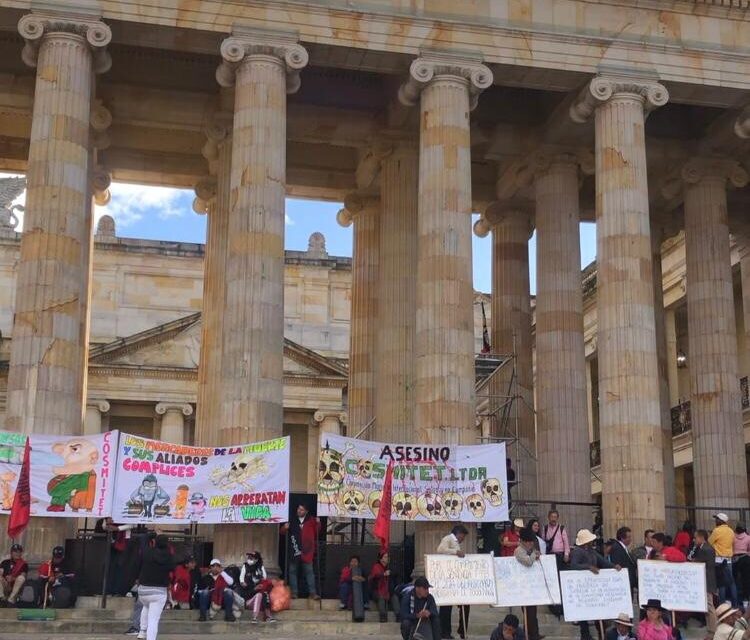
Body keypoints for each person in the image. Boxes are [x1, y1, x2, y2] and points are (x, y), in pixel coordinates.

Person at [570, 529, 620, 640]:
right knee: (584, 612)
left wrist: (613, 566)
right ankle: (585, 634)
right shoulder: (578, 551)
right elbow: (573, 566)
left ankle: (600, 633)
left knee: (597, 610)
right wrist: (588, 567)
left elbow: (602, 561)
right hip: (582, 586)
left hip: (593, 586)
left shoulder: (591, 551)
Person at [136, 534, 174, 640]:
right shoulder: (169, 556)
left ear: (155, 542)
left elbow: (143, 538)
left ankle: (142, 632)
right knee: (153, 620)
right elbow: (172, 567)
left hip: (143, 590)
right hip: (159, 592)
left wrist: (153, 534)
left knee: (146, 606)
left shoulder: (147, 552)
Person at [437, 525, 470, 640]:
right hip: (447, 579)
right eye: (463, 536)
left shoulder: (454, 542)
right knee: (446, 608)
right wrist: (456, 552)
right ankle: (444, 632)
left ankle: (462, 630)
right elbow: (440, 550)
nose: (463, 539)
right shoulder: (448, 539)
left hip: (455, 579)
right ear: (459, 533)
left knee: (465, 605)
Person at [282, 504, 320, 600]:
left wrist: (318, 523)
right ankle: (294, 593)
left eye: (302, 509)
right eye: (298, 509)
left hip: (307, 551)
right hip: (294, 550)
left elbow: (317, 531)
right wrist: (284, 528)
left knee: (309, 572)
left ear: (306, 511)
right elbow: (282, 532)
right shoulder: (292, 520)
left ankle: (312, 593)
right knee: (292, 572)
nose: (299, 511)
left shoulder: (311, 520)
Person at [515, 528, 544, 640]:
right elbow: (528, 562)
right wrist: (534, 555)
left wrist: (536, 554)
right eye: (529, 541)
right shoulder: (519, 551)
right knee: (528, 613)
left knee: (533, 612)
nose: (531, 544)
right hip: (523, 586)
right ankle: (529, 635)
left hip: (531, 585)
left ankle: (534, 633)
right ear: (523, 541)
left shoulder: (530, 550)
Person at [689, 529, 718, 635]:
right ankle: (710, 627)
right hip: (704, 579)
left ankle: (713, 628)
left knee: (709, 605)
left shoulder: (706, 549)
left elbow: (706, 565)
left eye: (695, 537)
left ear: (701, 538)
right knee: (707, 604)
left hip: (707, 579)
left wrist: (695, 562)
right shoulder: (701, 548)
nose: (694, 540)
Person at [710, 513, 739, 608]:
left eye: (717, 519)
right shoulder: (731, 531)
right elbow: (733, 544)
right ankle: (735, 604)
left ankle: (722, 606)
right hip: (729, 559)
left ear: (721, 521)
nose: (715, 521)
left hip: (719, 560)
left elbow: (709, 542)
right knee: (731, 582)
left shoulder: (717, 530)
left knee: (721, 583)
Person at [240, 551, 275, 624]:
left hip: (261, 601)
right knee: (259, 595)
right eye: (249, 557)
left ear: (256, 559)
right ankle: (254, 617)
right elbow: (245, 592)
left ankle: (268, 615)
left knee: (264, 593)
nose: (249, 559)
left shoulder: (260, 570)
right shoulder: (245, 569)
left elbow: (264, 578)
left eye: (252, 557)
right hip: (248, 601)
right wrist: (254, 588)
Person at [370, 551, 400, 623]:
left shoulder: (389, 567)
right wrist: (383, 574)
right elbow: (375, 576)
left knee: (394, 597)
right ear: (381, 559)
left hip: (388, 591)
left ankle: (398, 615)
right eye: (385, 557)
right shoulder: (376, 566)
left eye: (387, 557)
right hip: (378, 590)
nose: (387, 558)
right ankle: (383, 616)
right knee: (381, 597)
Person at [609, 527, 638, 593]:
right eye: (629, 537)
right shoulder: (617, 548)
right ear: (622, 538)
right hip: (624, 584)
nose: (630, 539)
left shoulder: (623, 548)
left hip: (629, 583)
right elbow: (618, 564)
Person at [733, 525, 750, 606]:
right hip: (745, 559)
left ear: (736, 530)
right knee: (746, 580)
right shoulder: (748, 537)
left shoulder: (732, 537)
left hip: (734, 559)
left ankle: (735, 600)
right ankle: (746, 600)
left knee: (734, 580)